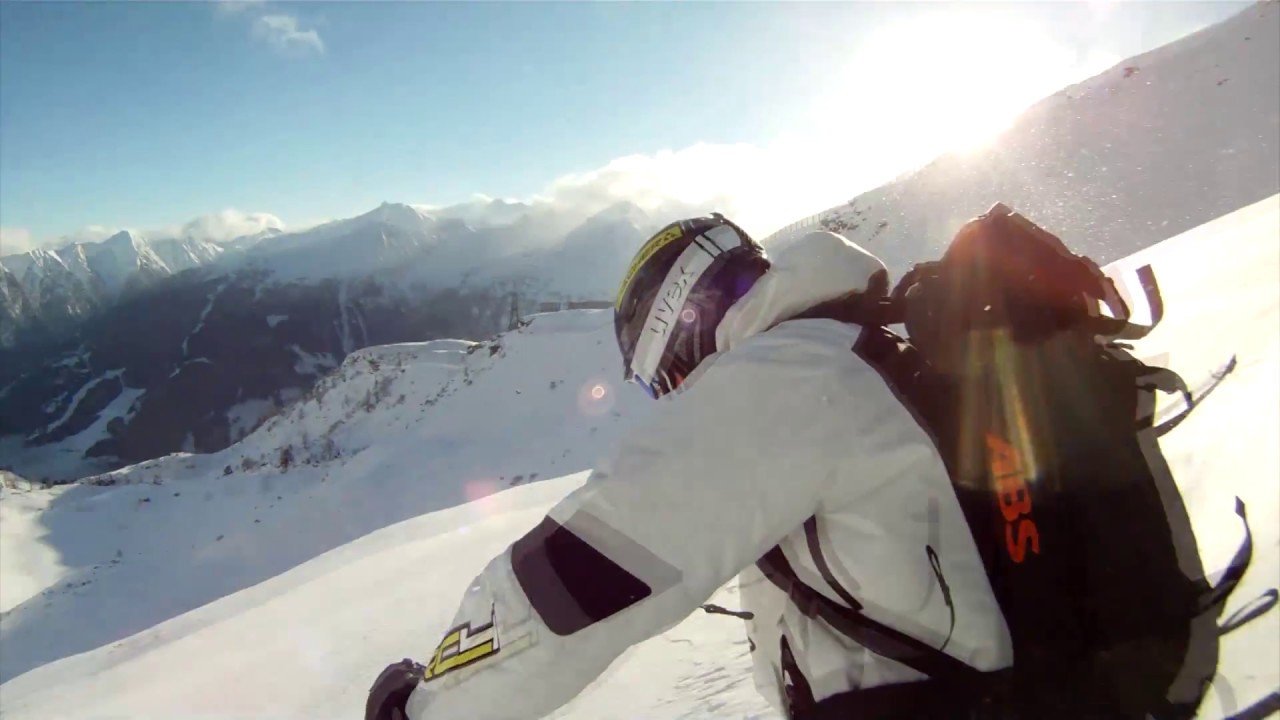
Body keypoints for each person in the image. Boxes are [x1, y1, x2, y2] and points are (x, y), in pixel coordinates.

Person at [367, 212, 1243, 720]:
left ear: (683, 324)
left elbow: (580, 582)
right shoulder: (871, 347)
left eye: (663, 372)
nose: (673, 394)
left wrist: (431, 706)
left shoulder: (782, 379)